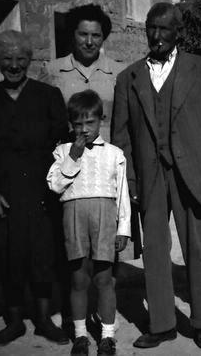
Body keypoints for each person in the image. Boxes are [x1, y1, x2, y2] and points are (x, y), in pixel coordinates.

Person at [111, 2, 201, 349]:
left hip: (193, 174)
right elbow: (121, 137)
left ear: (179, 32)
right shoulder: (128, 78)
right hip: (150, 177)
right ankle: (162, 324)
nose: (157, 35)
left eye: (164, 28)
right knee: (154, 251)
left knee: (198, 250)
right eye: (151, 28)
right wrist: (129, 182)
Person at [0, 30, 70, 347]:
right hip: (4, 191)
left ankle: (43, 320)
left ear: (29, 60)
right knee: (6, 256)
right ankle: (13, 322)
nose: (14, 65)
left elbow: (63, 144)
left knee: (43, 254)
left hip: (42, 191)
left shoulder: (49, 96)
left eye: (21, 59)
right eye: (7, 59)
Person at [47, 90, 131, 356]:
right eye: (78, 124)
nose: (84, 129)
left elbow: (122, 194)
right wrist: (73, 156)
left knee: (104, 279)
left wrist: (123, 229)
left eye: (90, 123)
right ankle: (81, 335)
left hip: (104, 219)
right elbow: (55, 185)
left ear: (101, 120)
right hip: (74, 218)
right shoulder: (62, 152)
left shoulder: (115, 154)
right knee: (79, 279)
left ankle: (107, 337)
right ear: (71, 124)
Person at [38, 3, 121, 142]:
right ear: (73, 34)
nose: (89, 42)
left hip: (107, 152)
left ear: (103, 38)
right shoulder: (52, 71)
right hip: (69, 152)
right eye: (83, 34)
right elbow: (42, 119)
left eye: (96, 35)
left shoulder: (118, 72)